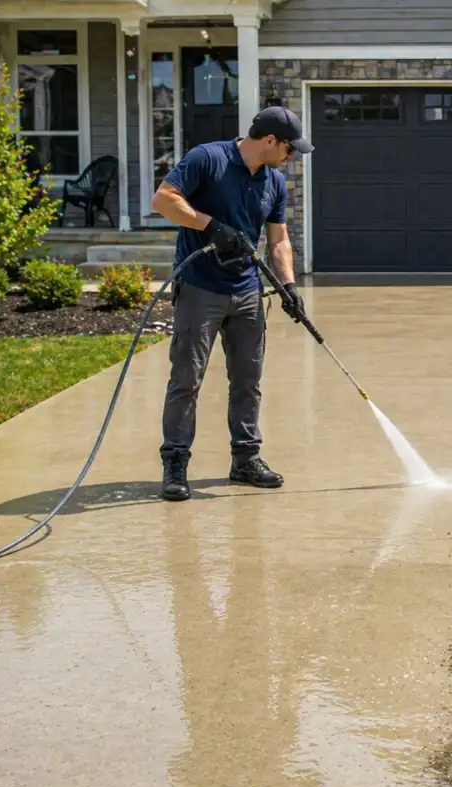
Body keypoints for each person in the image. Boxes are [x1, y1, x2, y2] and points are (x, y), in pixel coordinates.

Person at [150, 105, 314, 502]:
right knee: (187, 379)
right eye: (291, 149)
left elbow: (278, 241)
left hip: (246, 292)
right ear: (270, 141)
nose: (292, 158)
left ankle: (245, 459)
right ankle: (175, 463)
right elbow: (163, 200)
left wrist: (289, 287)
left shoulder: (273, 182)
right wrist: (210, 225)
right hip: (200, 287)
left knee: (247, 380)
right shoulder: (208, 159)